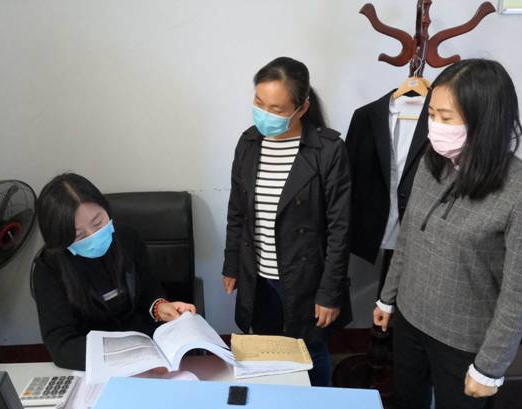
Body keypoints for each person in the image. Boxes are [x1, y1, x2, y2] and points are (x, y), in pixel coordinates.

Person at [373, 59, 522, 409]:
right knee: (406, 404)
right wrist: (387, 298)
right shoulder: (432, 162)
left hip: (465, 340)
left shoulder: (518, 191)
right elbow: (409, 236)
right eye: (432, 115)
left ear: (485, 121)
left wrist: (490, 366)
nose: (435, 127)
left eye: (446, 117)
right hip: (410, 321)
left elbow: (518, 293)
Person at [222, 57, 352, 386]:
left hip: (307, 279)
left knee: (311, 351)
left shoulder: (327, 149)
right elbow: (237, 210)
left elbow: (340, 229)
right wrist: (231, 265)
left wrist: (329, 293)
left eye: (276, 109)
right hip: (258, 276)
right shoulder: (248, 143)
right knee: (267, 350)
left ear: (302, 108)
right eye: (259, 103)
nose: (264, 114)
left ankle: (318, 404)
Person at [33, 173, 196, 370]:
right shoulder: (48, 269)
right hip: (96, 360)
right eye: (78, 235)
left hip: (148, 347)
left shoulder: (127, 238)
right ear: (59, 238)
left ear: (106, 208)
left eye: (97, 222)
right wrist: (125, 355)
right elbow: (62, 346)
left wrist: (159, 307)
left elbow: (148, 288)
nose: (93, 236)